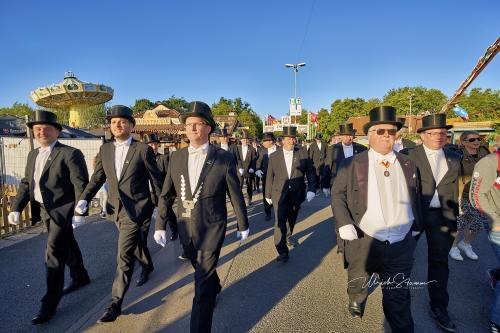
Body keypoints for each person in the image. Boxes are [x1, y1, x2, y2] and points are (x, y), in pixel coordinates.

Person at [154, 101, 249, 333]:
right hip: (186, 226)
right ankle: (214, 283)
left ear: (209, 128)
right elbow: (166, 195)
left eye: (198, 124)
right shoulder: (175, 157)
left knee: (201, 285)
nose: (193, 128)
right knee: (203, 271)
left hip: (212, 227)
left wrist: (243, 223)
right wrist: (160, 225)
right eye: (189, 124)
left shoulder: (222, 158)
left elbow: (235, 194)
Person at [331, 106, 422, 333]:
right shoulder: (352, 163)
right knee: (359, 277)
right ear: (369, 134)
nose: (386, 136)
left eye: (391, 131)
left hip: (400, 243)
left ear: (397, 134)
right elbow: (338, 194)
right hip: (365, 237)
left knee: (398, 298)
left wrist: (416, 226)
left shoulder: (408, 163)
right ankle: (357, 297)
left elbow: (416, 196)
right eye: (380, 131)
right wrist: (343, 222)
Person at [75, 105, 163, 323]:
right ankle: (147, 264)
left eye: (122, 121)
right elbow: (97, 179)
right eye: (114, 122)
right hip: (115, 210)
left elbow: (157, 181)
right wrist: (84, 199)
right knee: (134, 246)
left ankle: (115, 303)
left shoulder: (143, 150)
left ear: (131, 126)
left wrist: (163, 208)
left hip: (138, 209)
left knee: (123, 254)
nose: (117, 125)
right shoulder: (105, 150)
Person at [8, 110, 90, 324]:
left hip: (63, 211)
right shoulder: (33, 154)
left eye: (47, 128)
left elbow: (80, 183)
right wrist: (16, 207)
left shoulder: (70, 154)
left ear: (57, 132)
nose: (41, 131)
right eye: (37, 129)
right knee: (66, 243)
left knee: (52, 254)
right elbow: (27, 182)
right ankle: (80, 276)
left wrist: (80, 211)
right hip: (44, 209)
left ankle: (49, 304)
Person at [402, 113, 461, 332]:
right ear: (423, 135)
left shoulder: (454, 157)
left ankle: (439, 307)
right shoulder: (408, 155)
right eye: (433, 133)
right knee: (403, 259)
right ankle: (397, 304)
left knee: (439, 262)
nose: (438, 136)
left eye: (442, 133)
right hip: (414, 214)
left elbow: (459, 185)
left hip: (443, 216)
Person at [265, 126, 317, 262]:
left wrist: (312, 189)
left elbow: (311, 172)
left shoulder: (303, 153)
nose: (291, 141)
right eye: (288, 139)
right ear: (282, 140)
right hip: (279, 193)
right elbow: (270, 175)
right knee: (279, 221)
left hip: (296, 193)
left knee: (292, 219)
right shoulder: (274, 156)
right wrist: (267, 194)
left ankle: (288, 235)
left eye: (293, 139)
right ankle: (282, 250)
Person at [469, 140, 500, 332]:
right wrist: (495, 221)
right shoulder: (490, 162)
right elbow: (476, 196)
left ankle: (496, 274)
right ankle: (497, 320)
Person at [322, 123, 367, 255]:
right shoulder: (332, 149)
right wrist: (324, 185)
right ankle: (341, 245)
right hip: (338, 185)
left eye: (350, 135)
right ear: (341, 136)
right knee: (340, 213)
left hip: (357, 187)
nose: (348, 138)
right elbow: (327, 167)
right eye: (345, 135)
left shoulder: (362, 149)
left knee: (357, 213)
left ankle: (356, 240)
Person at [449, 131, 490, 261]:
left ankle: (465, 244)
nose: (477, 141)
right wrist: (458, 198)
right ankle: (453, 247)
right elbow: (455, 177)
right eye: (472, 140)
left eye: (478, 139)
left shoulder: (484, 152)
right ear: (464, 142)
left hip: (481, 195)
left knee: (477, 224)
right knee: (461, 222)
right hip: (464, 195)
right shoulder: (458, 155)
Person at [143, 133, 182, 257]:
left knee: (167, 212)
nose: (153, 147)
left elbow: (169, 176)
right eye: (150, 144)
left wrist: (171, 192)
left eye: (155, 144)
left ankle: (174, 229)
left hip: (163, 192)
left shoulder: (163, 158)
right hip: (148, 193)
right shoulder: (142, 160)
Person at [255, 132, 277, 221]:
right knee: (266, 194)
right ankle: (267, 213)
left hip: (278, 177)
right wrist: (258, 169)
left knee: (277, 194)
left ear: (271, 141)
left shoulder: (280, 149)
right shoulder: (262, 150)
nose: (263, 143)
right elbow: (258, 162)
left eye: (265, 141)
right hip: (266, 176)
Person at [234, 131, 258, 206]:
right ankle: (239, 200)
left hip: (249, 170)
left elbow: (254, 160)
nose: (245, 141)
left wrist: (252, 168)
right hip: (240, 170)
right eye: (244, 140)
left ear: (249, 140)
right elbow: (237, 159)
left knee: (249, 185)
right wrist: (239, 167)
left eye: (247, 140)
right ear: (241, 140)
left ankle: (249, 199)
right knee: (239, 186)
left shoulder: (252, 149)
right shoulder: (237, 149)